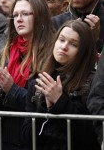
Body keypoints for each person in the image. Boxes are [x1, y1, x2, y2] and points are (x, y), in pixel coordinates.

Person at [0, 0, 55, 149]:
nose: (19, 19)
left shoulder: (51, 53)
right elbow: (4, 104)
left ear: (40, 16)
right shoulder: (8, 50)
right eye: (15, 15)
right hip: (8, 137)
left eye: (25, 14)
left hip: (37, 138)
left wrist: (11, 89)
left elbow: (42, 104)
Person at [22, 20, 100, 150]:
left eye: (74, 44)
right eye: (61, 39)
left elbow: (91, 136)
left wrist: (59, 102)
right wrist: (45, 107)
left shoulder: (93, 83)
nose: (64, 47)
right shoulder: (39, 81)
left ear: (83, 51)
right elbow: (26, 137)